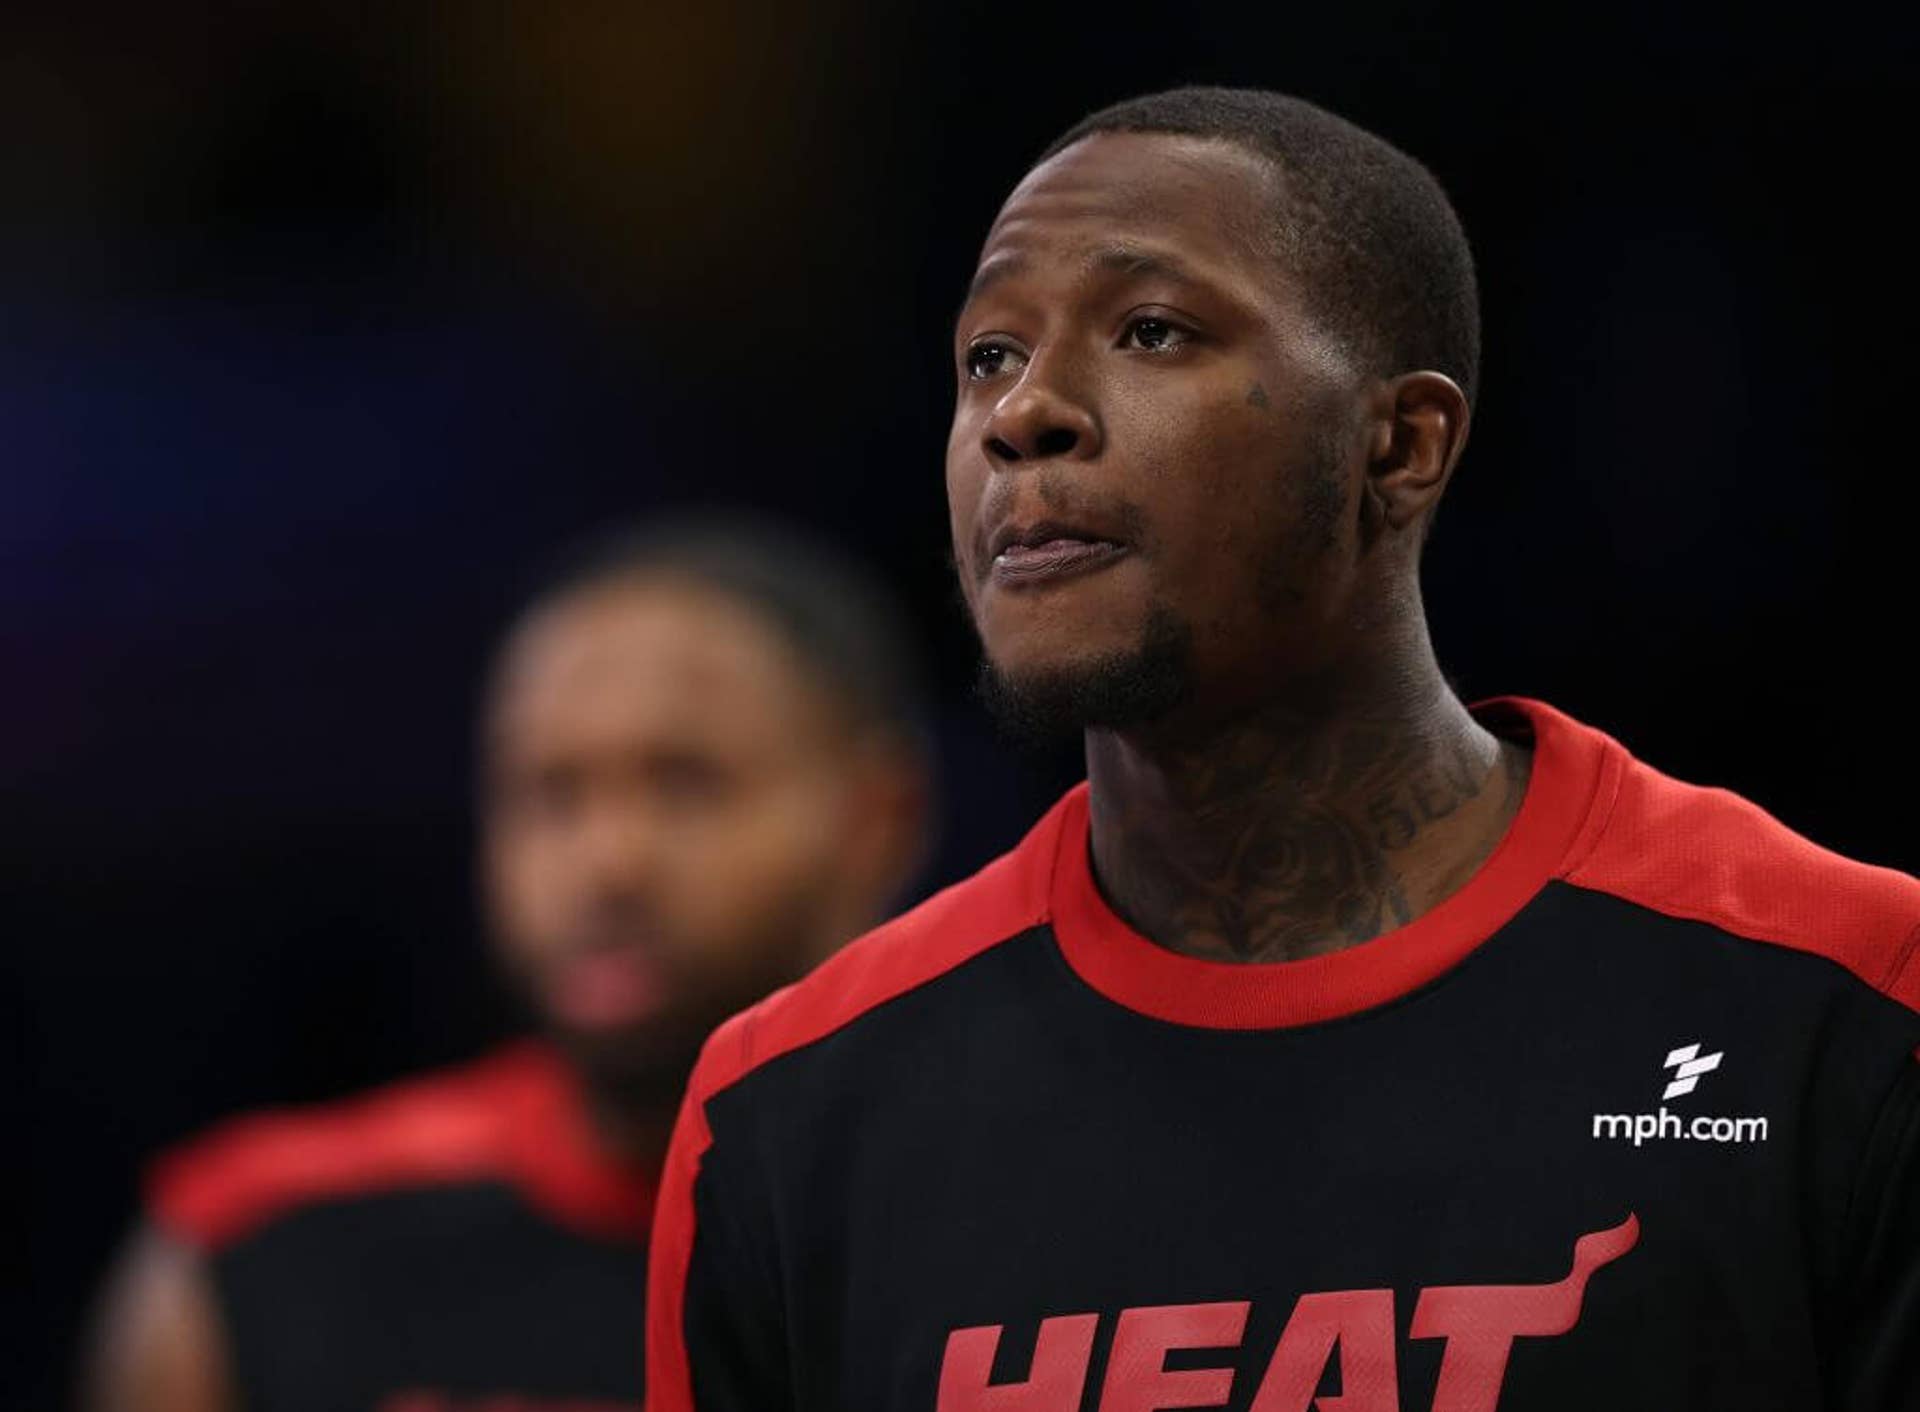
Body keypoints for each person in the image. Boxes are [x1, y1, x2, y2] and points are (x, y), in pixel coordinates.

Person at [644, 87, 1920, 1411]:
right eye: (987, 357)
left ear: (1401, 445)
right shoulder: (790, 1118)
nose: (1024, 414)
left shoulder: (1844, 1012)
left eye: (1150, 330)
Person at [85, 518, 932, 1412]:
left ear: (878, 820)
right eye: (549, 792)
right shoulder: (252, 1248)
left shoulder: (1023, 1199)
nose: (610, 862)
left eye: (689, 781)